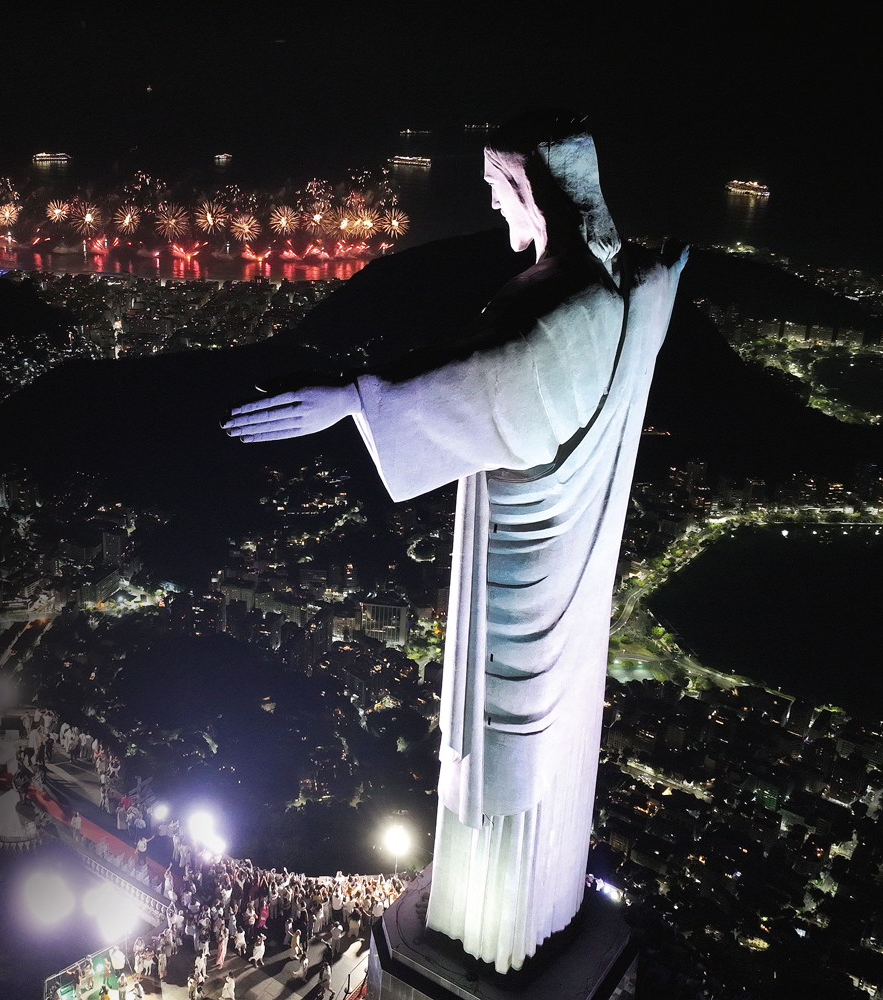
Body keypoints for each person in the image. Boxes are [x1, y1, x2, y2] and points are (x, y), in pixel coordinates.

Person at [224, 110, 686, 974]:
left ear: (529, 187)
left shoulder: (568, 300)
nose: (486, 199)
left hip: (521, 560)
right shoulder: (621, 285)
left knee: (500, 742)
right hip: (566, 566)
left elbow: (501, 374)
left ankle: (492, 937)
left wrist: (356, 398)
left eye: (493, 183)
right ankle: (517, 914)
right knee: (536, 748)